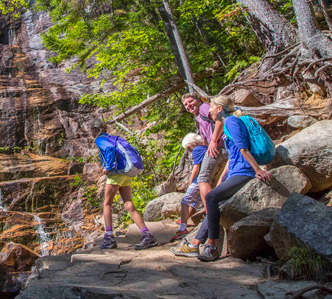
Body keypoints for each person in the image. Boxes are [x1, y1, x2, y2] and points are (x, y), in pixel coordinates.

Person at [170, 95, 271, 261]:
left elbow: (243, 149)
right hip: (236, 171)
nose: (208, 110)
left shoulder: (230, 121)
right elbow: (232, 155)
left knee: (211, 197)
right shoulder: (228, 123)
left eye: (211, 107)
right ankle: (195, 244)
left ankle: (211, 246)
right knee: (215, 202)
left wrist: (257, 170)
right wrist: (223, 177)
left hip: (244, 171)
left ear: (219, 108)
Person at [91, 119, 158, 251]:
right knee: (128, 204)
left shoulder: (99, 139)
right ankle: (147, 234)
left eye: (92, 130)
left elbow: (109, 149)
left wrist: (108, 167)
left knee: (107, 204)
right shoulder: (114, 138)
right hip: (126, 173)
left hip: (116, 174)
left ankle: (109, 237)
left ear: (95, 130)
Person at [180, 94, 226, 215]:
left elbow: (220, 120)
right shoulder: (199, 118)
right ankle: (210, 210)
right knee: (205, 179)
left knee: (203, 179)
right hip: (217, 148)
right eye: (186, 104)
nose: (189, 105)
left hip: (222, 146)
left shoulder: (204, 108)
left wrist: (214, 141)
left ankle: (212, 213)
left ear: (199, 100)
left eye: (191, 101)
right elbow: (205, 141)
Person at [170, 144, 206, 242]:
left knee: (185, 201)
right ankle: (184, 220)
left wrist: (190, 183)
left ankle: (182, 229)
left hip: (199, 179)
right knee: (195, 202)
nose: (188, 150)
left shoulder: (197, 149)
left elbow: (196, 168)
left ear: (192, 144)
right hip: (207, 179)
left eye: (188, 147)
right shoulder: (206, 148)